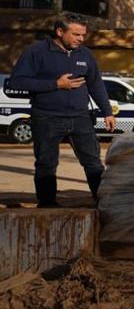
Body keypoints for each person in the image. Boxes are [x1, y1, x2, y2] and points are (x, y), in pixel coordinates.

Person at [9, 13, 115, 208]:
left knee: (93, 163)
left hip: (80, 117)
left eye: (83, 35)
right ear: (60, 31)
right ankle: (47, 204)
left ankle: (104, 204)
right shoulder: (36, 51)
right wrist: (56, 84)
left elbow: (96, 85)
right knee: (46, 164)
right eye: (76, 34)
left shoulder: (85, 54)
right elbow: (17, 81)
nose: (81, 39)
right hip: (47, 117)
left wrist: (107, 111)